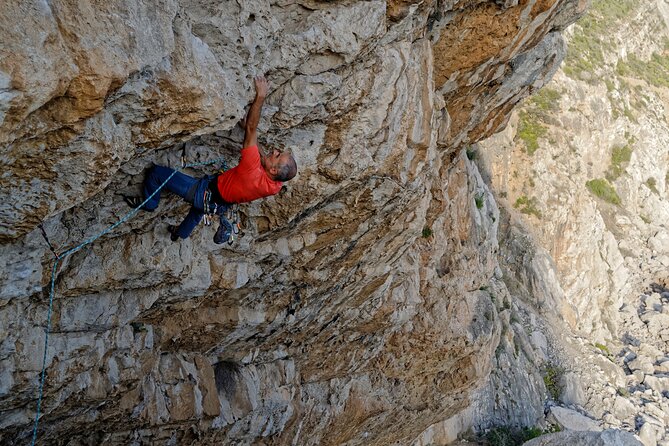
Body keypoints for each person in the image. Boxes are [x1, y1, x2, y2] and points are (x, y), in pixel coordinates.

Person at [124, 75, 297, 243]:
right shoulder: (276, 185)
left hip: (203, 192)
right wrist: (250, 134)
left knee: (157, 174)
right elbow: (260, 155)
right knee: (198, 211)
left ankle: (150, 203)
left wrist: (260, 96)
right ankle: (180, 234)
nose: (274, 151)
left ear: (273, 170)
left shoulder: (251, 171)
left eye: (277, 155)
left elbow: (252, 128)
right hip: (219, 203)